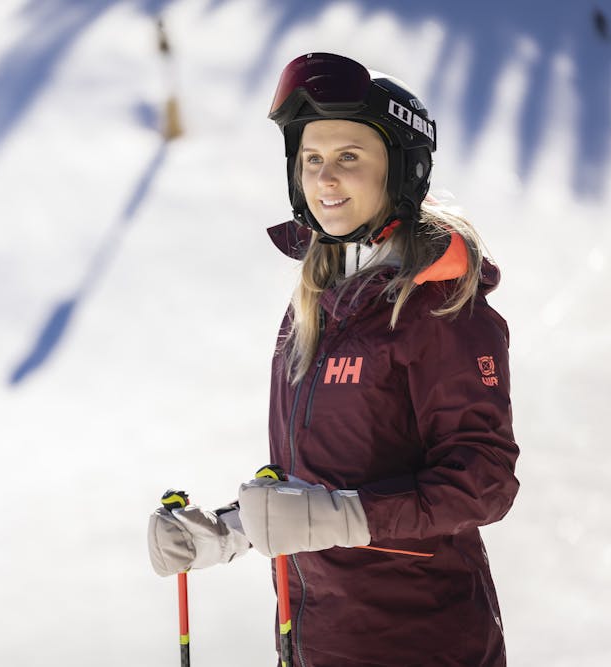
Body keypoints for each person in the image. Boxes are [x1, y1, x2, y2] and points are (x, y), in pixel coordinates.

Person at [147, 52, 519, 666]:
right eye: (311, 159)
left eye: (349, 157)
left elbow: (485, 483)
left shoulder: (440, 308)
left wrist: (342, 519)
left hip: (422, 644)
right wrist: (225, 533)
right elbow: (314, 491)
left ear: (399, 172)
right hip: (315, 643)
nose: (325, 179)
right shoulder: (313, 306)